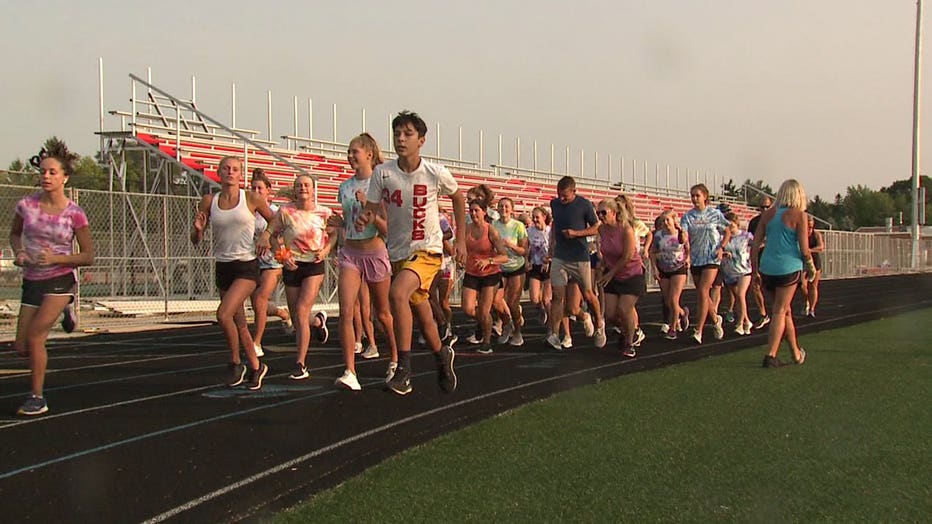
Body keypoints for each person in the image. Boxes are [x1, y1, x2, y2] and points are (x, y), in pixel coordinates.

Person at [357, 110, 466, 396]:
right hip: (398, 252)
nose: (400, 139)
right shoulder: (383, 173)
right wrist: (364, 217)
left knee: (397, 294)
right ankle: (442, 356)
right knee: (423, 315)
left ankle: (403, 369)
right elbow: (371, 208)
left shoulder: (434, 172)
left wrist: (462, 241)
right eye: (397, 134)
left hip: (428, 250)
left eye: (407, 134)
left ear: (422, 140)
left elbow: (458, 198)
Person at [10, 144, 95, 415]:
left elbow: (88, 256)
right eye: (43, 172)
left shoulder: (74, 213)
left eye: (52, 172)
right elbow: (14, 234)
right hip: (32, 279)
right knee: (22, 346)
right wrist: (20, 252)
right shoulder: (26, 206)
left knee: (36, 337)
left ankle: (36, 397)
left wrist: (56, 259)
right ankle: (65, 312)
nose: (46, 176)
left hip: (60, 278)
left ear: (64, 178)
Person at [191, 156, 272, 390]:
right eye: (226, 168)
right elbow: (196, 239)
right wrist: (197, 231)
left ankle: (235, 362)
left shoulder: (250, 198)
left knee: (223, 315)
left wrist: (266, 235)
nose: (230, 172)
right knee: (239, 323)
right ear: (218, 172)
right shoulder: (209, 201)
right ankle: (257, 367)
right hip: (223, 264)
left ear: (240, 174)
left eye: (235, 169)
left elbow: (275, 219)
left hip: (246, 265)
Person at [325, 133, 398, 391]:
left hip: (375, 253)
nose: (350, 156)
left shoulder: (382, 187)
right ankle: (350, 371)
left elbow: (388, 229)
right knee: (346, 311)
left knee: (383, 313)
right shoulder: (344, 187)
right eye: (348, 152)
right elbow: (350, 221)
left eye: (354, 151)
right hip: (350, 254)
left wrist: (369, 206)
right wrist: (339, 223)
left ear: (368, 154)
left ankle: (396, 360)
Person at [261, 174, 335, 381]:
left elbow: (336, 233)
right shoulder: (286, 212)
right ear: (294, 190)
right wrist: (282, 256)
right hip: (292, 265)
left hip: (314, 265)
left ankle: (300, 363)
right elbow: (272, 235)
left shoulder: (324, 212)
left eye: (307, 185)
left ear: (313, 190)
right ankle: (319, 322)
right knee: (297, 317)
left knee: (302, 310)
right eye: (299, 185)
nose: (303, 188)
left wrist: (327, 249)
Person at [751, 179, 815, 368]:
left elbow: (755, 245)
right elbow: (804, 249)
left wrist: (755, 270)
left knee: (785, 311)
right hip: (788, 268)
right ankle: (771, 354)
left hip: (767, 267)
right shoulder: (800, 216)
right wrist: (810, 267)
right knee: (779, 311)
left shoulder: (768, 215)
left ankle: (796, 353)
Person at [546, 176, 607, 350]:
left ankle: (599, 323)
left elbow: (597, 227)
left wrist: (576, 233)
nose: (561, 199)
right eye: (559, 195)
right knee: (557, 296)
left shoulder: (584, 204)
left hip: (579, 256)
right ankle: (555, 335)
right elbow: (556, 224)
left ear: (574, 191)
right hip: (560, 256)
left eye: (565, 195)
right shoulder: (555, 204)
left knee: (587, 294)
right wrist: (552, 244)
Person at [249, 169, 292, 358]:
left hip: (273, 262)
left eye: (260, 188)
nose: (256, 191)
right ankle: (284, 314)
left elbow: (286, 236)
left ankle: (256, 343)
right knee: (258, 304)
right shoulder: (248, 210)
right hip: (252, 261)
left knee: (260, 300)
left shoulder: (274, 213)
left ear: (268, 191)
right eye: (253, 188)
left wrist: (271, 242)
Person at [681, 183, 731, 344]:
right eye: (692, 195)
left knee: (703, 290)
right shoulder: (688, 216)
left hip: (711, 257)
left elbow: (727, 230)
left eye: (697, 195)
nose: (694, 199)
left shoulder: (714, 214)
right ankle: (716, 320)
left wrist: (721, 247)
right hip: (696, 258)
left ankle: (698, 330)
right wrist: (681, 236)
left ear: (705, 197)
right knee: (702, 294)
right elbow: (683, 237)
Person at [595, 199, 645, 358]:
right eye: (598, 213)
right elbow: (607, 251)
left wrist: (610, 273)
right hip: (613, 273)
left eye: (604, 212)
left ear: (614, 213)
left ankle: (630, 343)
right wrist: (602, 264)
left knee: (625, 309)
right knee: (609, 315)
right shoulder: (602, 230)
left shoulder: (626, 230)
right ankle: (631, 330)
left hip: (631, 273)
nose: (601, 216)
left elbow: (627, 256)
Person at [462, 199, 509, 354]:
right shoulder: (466, 229)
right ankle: (486, 322)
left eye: (477, 210)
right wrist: (459, 257)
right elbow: (460, 248)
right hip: (472, 273)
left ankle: (487, 342)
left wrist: (489, 260)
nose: (474, 213)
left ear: (484, 212)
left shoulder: (491, 231)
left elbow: (504, 256)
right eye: (471, 210)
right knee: (468, 309)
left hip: (490, 274)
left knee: (483, 311)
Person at [493, 197, 528, 346]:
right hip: (500, 268)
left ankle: (518, 332)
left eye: (506, 206)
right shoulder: (493, 225)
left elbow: (524, 250)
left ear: (512, 209)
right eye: (501, 206)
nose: (503, 209)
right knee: (495, 301)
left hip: (516, 268)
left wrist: (510, 245)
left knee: (513, 303)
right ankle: (507, 324)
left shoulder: (519, 226)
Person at [650, 210, 690, 340]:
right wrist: (654, 269)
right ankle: (683, 313)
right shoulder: (658, 235)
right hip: (663, 268)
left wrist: (688, 259)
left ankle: (673, 328)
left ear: (674, 220)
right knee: (668, 302)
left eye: (668, 220)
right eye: (663, 220)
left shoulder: (680, 233)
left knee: (673, 299)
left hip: (678, 268)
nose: (665, 223)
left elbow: (686, 247)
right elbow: (652, 252)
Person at [721, 212, 754, 335]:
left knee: (740, 295)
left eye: (732, 225)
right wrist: (724, 254)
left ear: (737, 224)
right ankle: (747, 321)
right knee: (739, 299)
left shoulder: (746, 236)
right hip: (729, 271)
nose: (730, 228)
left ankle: (740, 324)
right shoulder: (723, 237)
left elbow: (757, 244)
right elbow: (718, 251)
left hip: (744, 270)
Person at [747, 196, 773, 328]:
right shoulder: (754, 222)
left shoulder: (775, 221)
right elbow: (750, 239)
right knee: (756, 285)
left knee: (772, 288)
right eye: (762, 207)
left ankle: (780, 313)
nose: (764, 209)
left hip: (772, 257)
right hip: (758, 256)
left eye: (767, 207)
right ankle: (763, 314)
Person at [526, 206, 552, 330]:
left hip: (549, 266)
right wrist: (527, 260)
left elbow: (555, 249)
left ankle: (552, 326)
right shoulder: (530, 231)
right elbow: (528, 247)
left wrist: (548, 260)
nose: (535, 220)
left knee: (547, 299)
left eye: (537, 217)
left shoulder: (550, 231)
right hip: (535, 265)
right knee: (534, 298)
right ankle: (541, 310)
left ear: (544, 217)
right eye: (533, 217)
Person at [800, 215, 824, 318]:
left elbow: (821, 247)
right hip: (803, 261)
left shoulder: (816, 235)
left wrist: (810, 250)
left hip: (814, 260)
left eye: (811, 227)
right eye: (807, 227)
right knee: (802, 284)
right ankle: (807, 300)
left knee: (813, 286)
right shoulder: (800, 234)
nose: (809, 229)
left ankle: (812, 309)